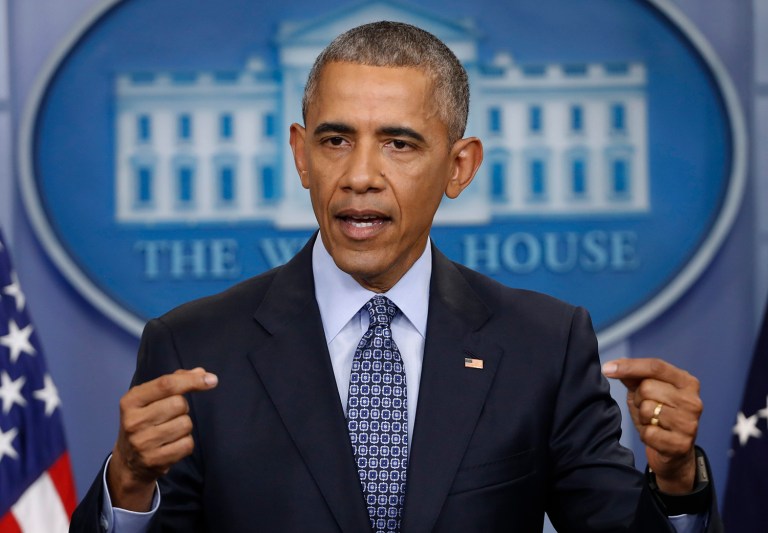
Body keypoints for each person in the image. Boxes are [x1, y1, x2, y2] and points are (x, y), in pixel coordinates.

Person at [71, 21, 721, 532]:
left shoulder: (542, 344)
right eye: (335, 141)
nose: (359, 174)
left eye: (399, 143)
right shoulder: (195, 346)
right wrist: (128, 486)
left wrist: (674, 480)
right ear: (301, 155)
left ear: (459, 166)